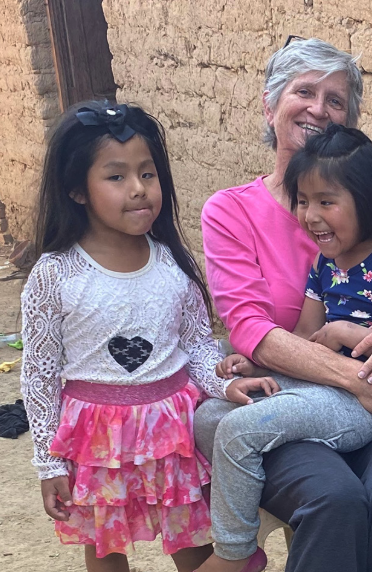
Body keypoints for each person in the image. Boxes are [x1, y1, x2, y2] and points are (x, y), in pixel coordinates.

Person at [195, 38, 372, 572]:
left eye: (335, 100)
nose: (319, 108)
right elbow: (258, 327)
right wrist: (351, 374)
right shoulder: (232, 212)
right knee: (333, 499)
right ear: (270, 107)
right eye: (304, 92)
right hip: (323, 392)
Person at [19, 101, 273, 572]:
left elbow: (196, 345)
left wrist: (223, 384)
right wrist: (49, 463)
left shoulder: (172, 264)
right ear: (77, 189)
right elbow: (38, 374)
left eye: (147, 174)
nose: (138, 189)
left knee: (196, 546)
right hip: (98, 444)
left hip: (172, 435)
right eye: (116, 177)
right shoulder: (56, 275)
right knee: (105, 551)